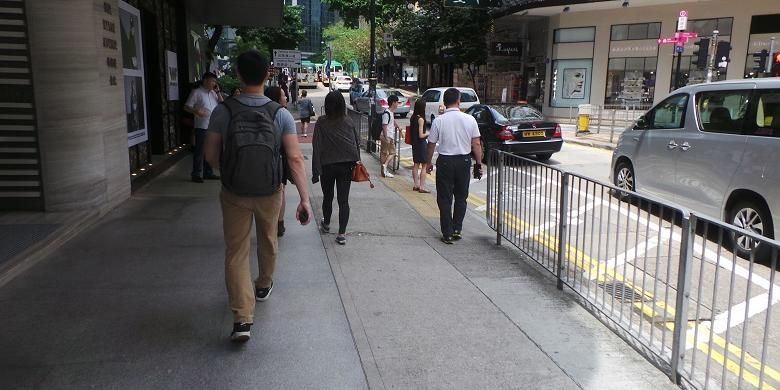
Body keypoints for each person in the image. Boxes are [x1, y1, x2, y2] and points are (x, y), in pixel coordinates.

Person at [205, 50, 313, 342]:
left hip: (234, 192)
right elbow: (294, 159)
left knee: (236, 252)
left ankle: (242, 319)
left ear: (238, 75)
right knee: (268, 240)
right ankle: (263, 284)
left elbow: (211, 156)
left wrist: (232, 168)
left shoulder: (223, 111)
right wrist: (304, 199)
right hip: (269, 190)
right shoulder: (280, 114)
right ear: (268, 75)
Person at [425, 88, 483, 244]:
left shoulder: (439, 120)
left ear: (444, 102)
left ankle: (447, 232)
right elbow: (476, 143)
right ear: (459, 101)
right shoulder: (470, 120)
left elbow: (431, 144)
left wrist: (428, 162)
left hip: (445, 162)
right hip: (463, 162)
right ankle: (457, 228)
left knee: (444, 198)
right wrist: (478, 163)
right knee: (461, 197)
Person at [311, 91, 361, 246]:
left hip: (327, 166)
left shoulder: (321, 122)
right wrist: (356, 161)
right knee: (343, 200)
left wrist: (315, 171)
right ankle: (341, 233)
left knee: (328, 196)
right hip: (346, 165)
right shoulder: (348, 122)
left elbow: (316, 146)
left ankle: (326, 224)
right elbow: (355, 145)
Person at [184, 71, 222, 183]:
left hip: (213, 126)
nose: (214, 83)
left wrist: (218, 91)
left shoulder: (213, 93)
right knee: (200, 151)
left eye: (215, 81)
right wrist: (196, 111)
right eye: (212, 81)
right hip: (202, 126)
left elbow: (222, 103)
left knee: (210, 151)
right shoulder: (196, 92)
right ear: (205, 81)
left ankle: (208, 172)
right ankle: (196, 173)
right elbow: (186, 106)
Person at [265, 86, 291, 238]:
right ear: (276, 98)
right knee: (280, 191)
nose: (286, 97)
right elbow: (293, 152)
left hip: (260, 159)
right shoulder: (283, 114)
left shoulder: (261, 111)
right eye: (283, 95)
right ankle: (279, 223)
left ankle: (270, 223)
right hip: (279, 159)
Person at [410, 99, 430, 193]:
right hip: (421, 144)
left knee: (416, 164)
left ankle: (416, 185)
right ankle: (422, 186)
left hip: (414, 144)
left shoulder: (413, 117)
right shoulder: (421, 119)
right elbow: (421, 135)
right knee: (424, 165)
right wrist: (428, 133)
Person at [380, 94, 399, 178]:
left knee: (388, 153)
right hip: (387, 136)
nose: (398, 104)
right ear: (393, 103)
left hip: (389, 136)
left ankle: (384, 168)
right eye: (397, 102)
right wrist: (386, 136)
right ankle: (384, 167)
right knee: (388, 153)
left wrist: (397, 126)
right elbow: (384, 125)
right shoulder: (386, 113)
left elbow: (392, 121)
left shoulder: (390, 112)